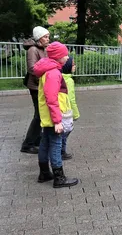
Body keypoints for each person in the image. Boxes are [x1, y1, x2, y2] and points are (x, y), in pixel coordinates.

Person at [33, 42, 78, 188]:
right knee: (56, 145)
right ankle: (59, 178)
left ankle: (44, 173)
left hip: (47, 116)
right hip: (53, 117)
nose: (67, 57)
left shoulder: (48, 70)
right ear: (58, 57)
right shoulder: (53, 73)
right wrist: (58, 121)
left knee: (45, 142)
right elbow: (51, 98)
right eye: (65, 55)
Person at [20, 26, 50, 154]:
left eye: (48, 36)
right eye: (45, 37)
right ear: (39, 38)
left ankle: (37, 138)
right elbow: (32, 69)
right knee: (39, 115)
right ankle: (27, 144)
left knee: (41, 114)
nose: (48, 39)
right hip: (36, 86)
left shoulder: (42, 49)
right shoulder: (33, 50)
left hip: (41, 85)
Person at [61, 57, 80, 160]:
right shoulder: (69, 80)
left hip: (59, 109)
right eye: (73, 64)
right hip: (66, 110)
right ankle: (61, 151)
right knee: (66, 130)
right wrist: (76, 114)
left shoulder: (60, 76)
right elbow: (71, 99)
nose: (75, 66)